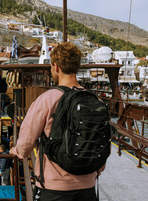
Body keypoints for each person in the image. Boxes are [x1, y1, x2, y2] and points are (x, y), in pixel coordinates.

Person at [10, 43, 104, 201]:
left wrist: (17, 151)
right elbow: (100, 141)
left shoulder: (46, 100)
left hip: (55, 189)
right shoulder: (95, 100)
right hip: (87, 187)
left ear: (56, 67)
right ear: (77, 67)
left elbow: (26, 142)